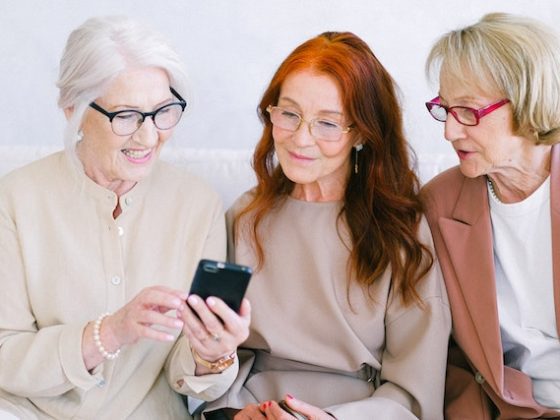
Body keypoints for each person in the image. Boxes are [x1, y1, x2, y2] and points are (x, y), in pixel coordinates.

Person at [0, 15, 250, 420]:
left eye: (163, 111)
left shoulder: (197, 204)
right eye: (126, 116)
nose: (149, 137)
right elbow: (4, 354)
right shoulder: (13, 198)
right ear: (73, 110)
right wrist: (110, 332)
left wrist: (213, 353)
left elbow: (183, 376)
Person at [203, 31, 451, 420]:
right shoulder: (245, 216)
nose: (301, 139)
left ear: (362, 135)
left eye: (327, 124)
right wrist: (232, 415)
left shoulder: (400, 229)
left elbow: (415, 390)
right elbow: (215, 353)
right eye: (289, 114)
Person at [422, 12, 560, 419]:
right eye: (444, 109)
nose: (449, 131)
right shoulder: (438, 205)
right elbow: (442, 352)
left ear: (528, 99)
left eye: (467, 111)